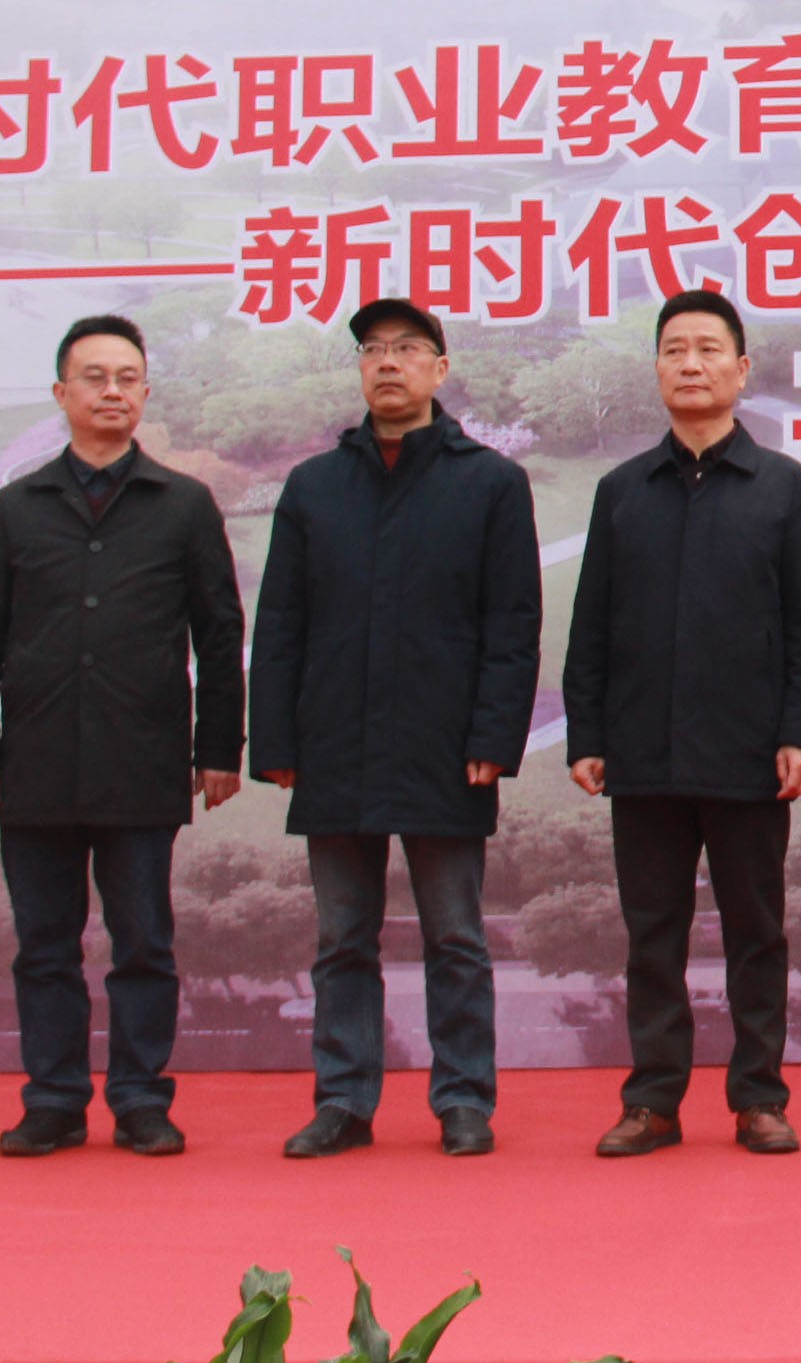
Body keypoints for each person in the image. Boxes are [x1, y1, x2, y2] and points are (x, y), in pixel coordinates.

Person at [251, 298, 541, 1159]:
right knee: (342, 937)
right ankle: (343, 1099)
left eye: (407, 349)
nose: (387, 363)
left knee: (455, 935)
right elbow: (280, 625)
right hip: (334, 743)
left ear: (438, 370)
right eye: (372, 349)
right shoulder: (313, 486)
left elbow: (512, 625)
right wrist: (276, 743)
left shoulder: (489, 482)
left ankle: (463, 1098)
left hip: (444, 748)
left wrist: (493, 738)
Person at [0, 314, 247, 1155]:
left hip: (143, 760)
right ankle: (52, 1098)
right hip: (36, 761)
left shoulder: (183, 504)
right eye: (94, 377)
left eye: (126, 378)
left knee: (143, 943)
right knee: (44, 945)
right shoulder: (17, 507)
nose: (111, 391)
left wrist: (217, 751)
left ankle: (141, 1098)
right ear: (61, 393)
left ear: (144, 393)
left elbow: (219, 634)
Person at [566, 289, 801, 1159]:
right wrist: (587, 735)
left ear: (741, 369)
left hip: (750, 752)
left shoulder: (787, 489)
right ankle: (652, 1098)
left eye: (708, 349)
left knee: (757, 930)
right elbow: (591, 624)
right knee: (653, 934)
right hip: (641, 752)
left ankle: (759, 1096)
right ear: (656, 368)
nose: (691, 364)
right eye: (674, 349)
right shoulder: (620, 492)